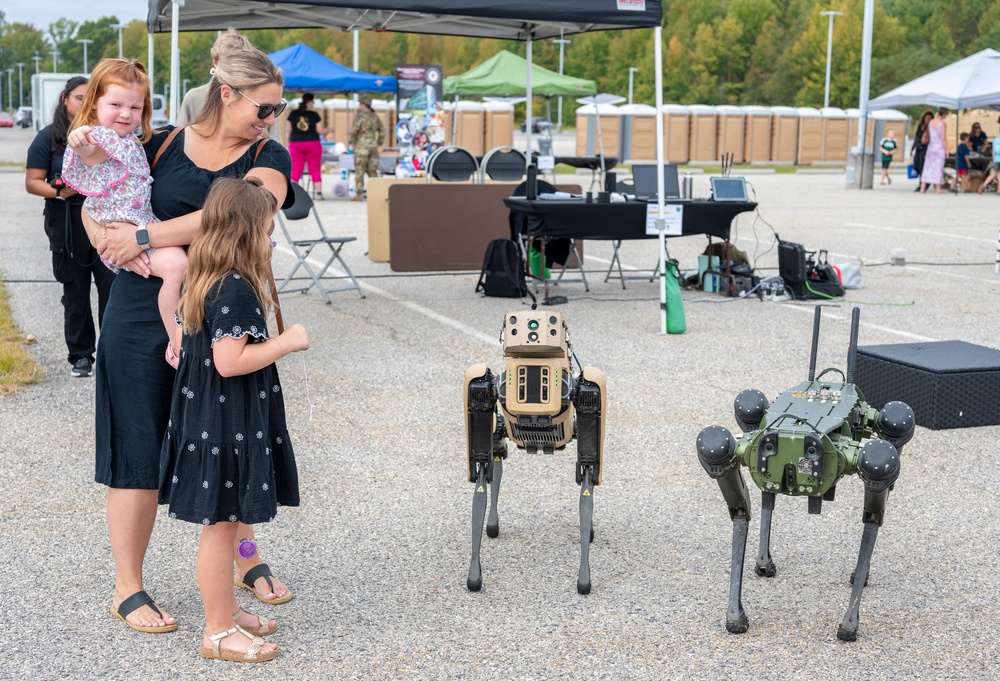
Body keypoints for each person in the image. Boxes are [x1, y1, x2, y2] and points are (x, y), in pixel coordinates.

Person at [89, 46, 295, 634]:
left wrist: (144, 232)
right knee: (138, 442)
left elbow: (240, 212)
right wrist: (109, 235)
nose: (272, 118)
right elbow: (98, 197)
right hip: (140, 310)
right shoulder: (159, 143)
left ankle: (245, 558)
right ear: (227, 94)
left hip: (220, 310)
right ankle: (128, 586)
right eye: (265, 107)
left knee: (231, 438)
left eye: (278, 109)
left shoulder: (266, 154)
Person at [159, 176, 308, 663]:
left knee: (228, 519)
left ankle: (228, 611)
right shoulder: (236, 288)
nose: (271, 241)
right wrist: (286, 342)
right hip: (227, 427)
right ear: (244, 233)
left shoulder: (206, 277)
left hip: (217, 421)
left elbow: (189, 347)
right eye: (266, 231)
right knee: (222, 528)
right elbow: (229, 362)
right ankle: (218, 633)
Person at [63, 58, 188, 363]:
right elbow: (88, 151)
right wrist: (77, 140)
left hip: (139, 224)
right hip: (120, 229)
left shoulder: (130, 139)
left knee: (184, 265)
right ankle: (178, 342)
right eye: (115, 104)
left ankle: (182, 334)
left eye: (135, 107)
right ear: (93, 104)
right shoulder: (101, 136)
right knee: (177, 266)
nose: (125, 113)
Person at [25, 76, 117, 378]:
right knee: (75, 291)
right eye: (79, 97)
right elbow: (32, 182)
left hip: (105, 224)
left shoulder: (105, 134)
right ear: (65, 98)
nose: (84, 104)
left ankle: (111, 353)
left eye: (90, 98)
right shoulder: (48, 137)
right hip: (66, 223)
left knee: (112, 290)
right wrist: (60, 191)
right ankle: (80, 355)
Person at [176, 29, 253, 127]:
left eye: (240, 63)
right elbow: (181, 139)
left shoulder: (259, 100)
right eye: (228, 63)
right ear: (215, 62)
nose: (234, 69)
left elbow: (273, 140)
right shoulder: (193, 98)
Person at [286, 93, 329, 199]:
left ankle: (291, 194)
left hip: (296, 143)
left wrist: (288, 143)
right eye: (313, 101)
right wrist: (330, 130)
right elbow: (320, 131)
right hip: (313, 143)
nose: (313, 103)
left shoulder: (293, 114)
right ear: (310, 102)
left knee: (296, 168)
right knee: (314, 169)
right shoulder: (314, 115)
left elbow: (288, 130)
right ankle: (318, 194)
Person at [349, 94, 384, 201]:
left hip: (362, 146)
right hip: (373, 146)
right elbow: (382, 132)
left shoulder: (359, 116)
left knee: (360, 170)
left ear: (363, 104)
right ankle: (375, 194)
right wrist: (378, 142)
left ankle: (359, 194)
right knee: (372, 171)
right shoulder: (375, 116)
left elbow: (354, 131)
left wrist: (353, 143)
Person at [920, 107, 948, 195]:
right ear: (944, 114)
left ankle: (922, 188)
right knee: (938, 168)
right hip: (939, 148)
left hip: (931, 147)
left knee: (927, 167)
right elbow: (943, 138)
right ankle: (938, 189)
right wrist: (947, 149)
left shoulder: (931, 122)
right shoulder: (942, 124)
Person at [910, 111, 933, 192]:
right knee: (916, 165)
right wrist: (912, 148)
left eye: (930, 118)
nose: (928, 120)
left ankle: (922, 184)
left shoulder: (931, 127)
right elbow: (916, 137)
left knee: (922, 166)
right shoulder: (921, 126)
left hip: (926, 148)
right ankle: (923, 183)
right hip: (918, 147)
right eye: (927, 118)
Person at [977, 116, 1000, 194]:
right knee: (997, 175)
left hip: (996, 159)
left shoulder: (995, 140)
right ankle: (998, 190)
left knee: (994, 174)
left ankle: (983, 186)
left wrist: (993, 159)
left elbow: (993, 151)